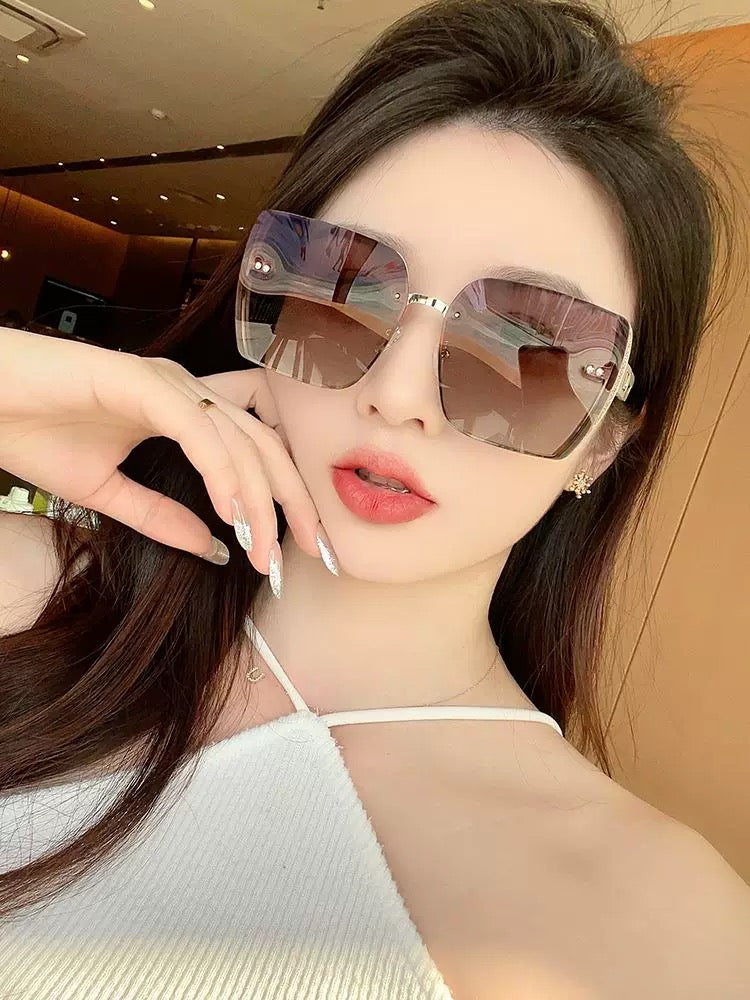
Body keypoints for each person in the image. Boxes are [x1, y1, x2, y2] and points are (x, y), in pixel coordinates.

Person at [0, 1, 749, 997]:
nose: (397, 396)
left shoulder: (660, 922)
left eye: (526, 351)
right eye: (342, 291)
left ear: (607, 441)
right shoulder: (38, 595)